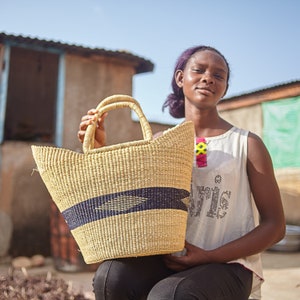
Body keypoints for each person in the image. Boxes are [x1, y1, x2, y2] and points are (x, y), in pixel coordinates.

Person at [78, 45, 285, 300]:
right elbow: (133, 202)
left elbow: (275, 226)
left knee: (171, 295)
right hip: (169, 258)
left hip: (230, 265)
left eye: (219, 75)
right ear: (180, 78)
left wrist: (209, 256)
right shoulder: (161, 142)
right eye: (198, 70)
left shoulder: (247, 144)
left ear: (225, 88)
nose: (208, 78)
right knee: (111, 277)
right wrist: (99, 147)